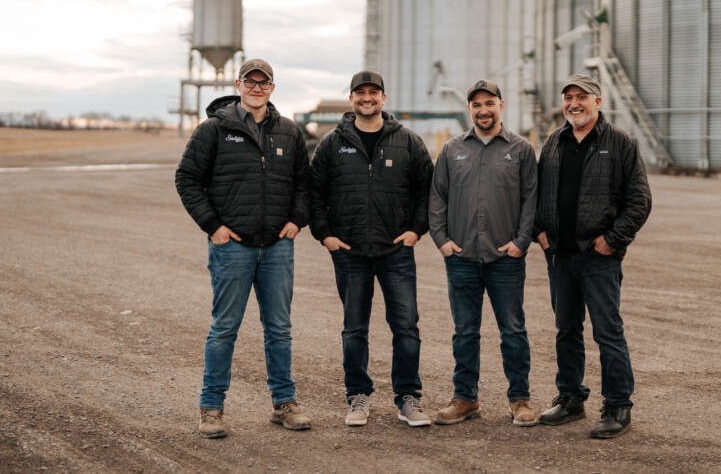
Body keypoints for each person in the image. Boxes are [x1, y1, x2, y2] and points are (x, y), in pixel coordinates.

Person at [175, 58, 312, 439]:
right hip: (232, 247)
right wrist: (213, 226)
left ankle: (284, 403)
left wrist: (297, 221)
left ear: (272, 87)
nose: (256, 88)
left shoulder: (289, 132)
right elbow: (187, 178)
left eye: (263, 82)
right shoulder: (214, 131)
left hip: (277, 248)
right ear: (239, 85)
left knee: (279, 329)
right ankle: (211, 408)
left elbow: (305, 183)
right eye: (250, 82)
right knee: (224, 329)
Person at [310, 71, 435, 428]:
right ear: (351, 98)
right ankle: (357, 396)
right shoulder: (332, 144)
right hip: (349, 251)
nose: (367, 98)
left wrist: (415, 229)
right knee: (354, 328)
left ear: (384, 97)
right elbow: (314, 193)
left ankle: (408, 398)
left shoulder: (408, 141)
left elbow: (427, 190)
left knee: (406, 326)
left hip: (395, 250)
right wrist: (325, 235)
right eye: (360, 92)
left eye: (374, 92)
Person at [533, 73, 652, 439]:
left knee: (607, 331)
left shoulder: (619, 143)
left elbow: (639, 200)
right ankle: (571, 398)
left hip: (599, 257)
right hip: (561, 257)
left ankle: (618, 404)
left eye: (581, 97)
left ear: (598, 101)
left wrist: (613, 240)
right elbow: (539, 192)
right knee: (566, 330)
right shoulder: (555, 142)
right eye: (568, 97)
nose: (573, 103)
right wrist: (540, 231)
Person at [428, 79, 539, 427]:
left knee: (513, 331)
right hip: (461, 257)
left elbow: (531, 200)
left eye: (489, 103)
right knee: (465, 332)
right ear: (469, 109)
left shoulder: (520, 150)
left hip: (505, 259)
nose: (483, 110)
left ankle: (519, 399)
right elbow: (437, 197)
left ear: (500, 106)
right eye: (476, 105)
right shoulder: (452, 150)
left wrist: (521, 242)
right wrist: (441, 239)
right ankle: (465, 398)